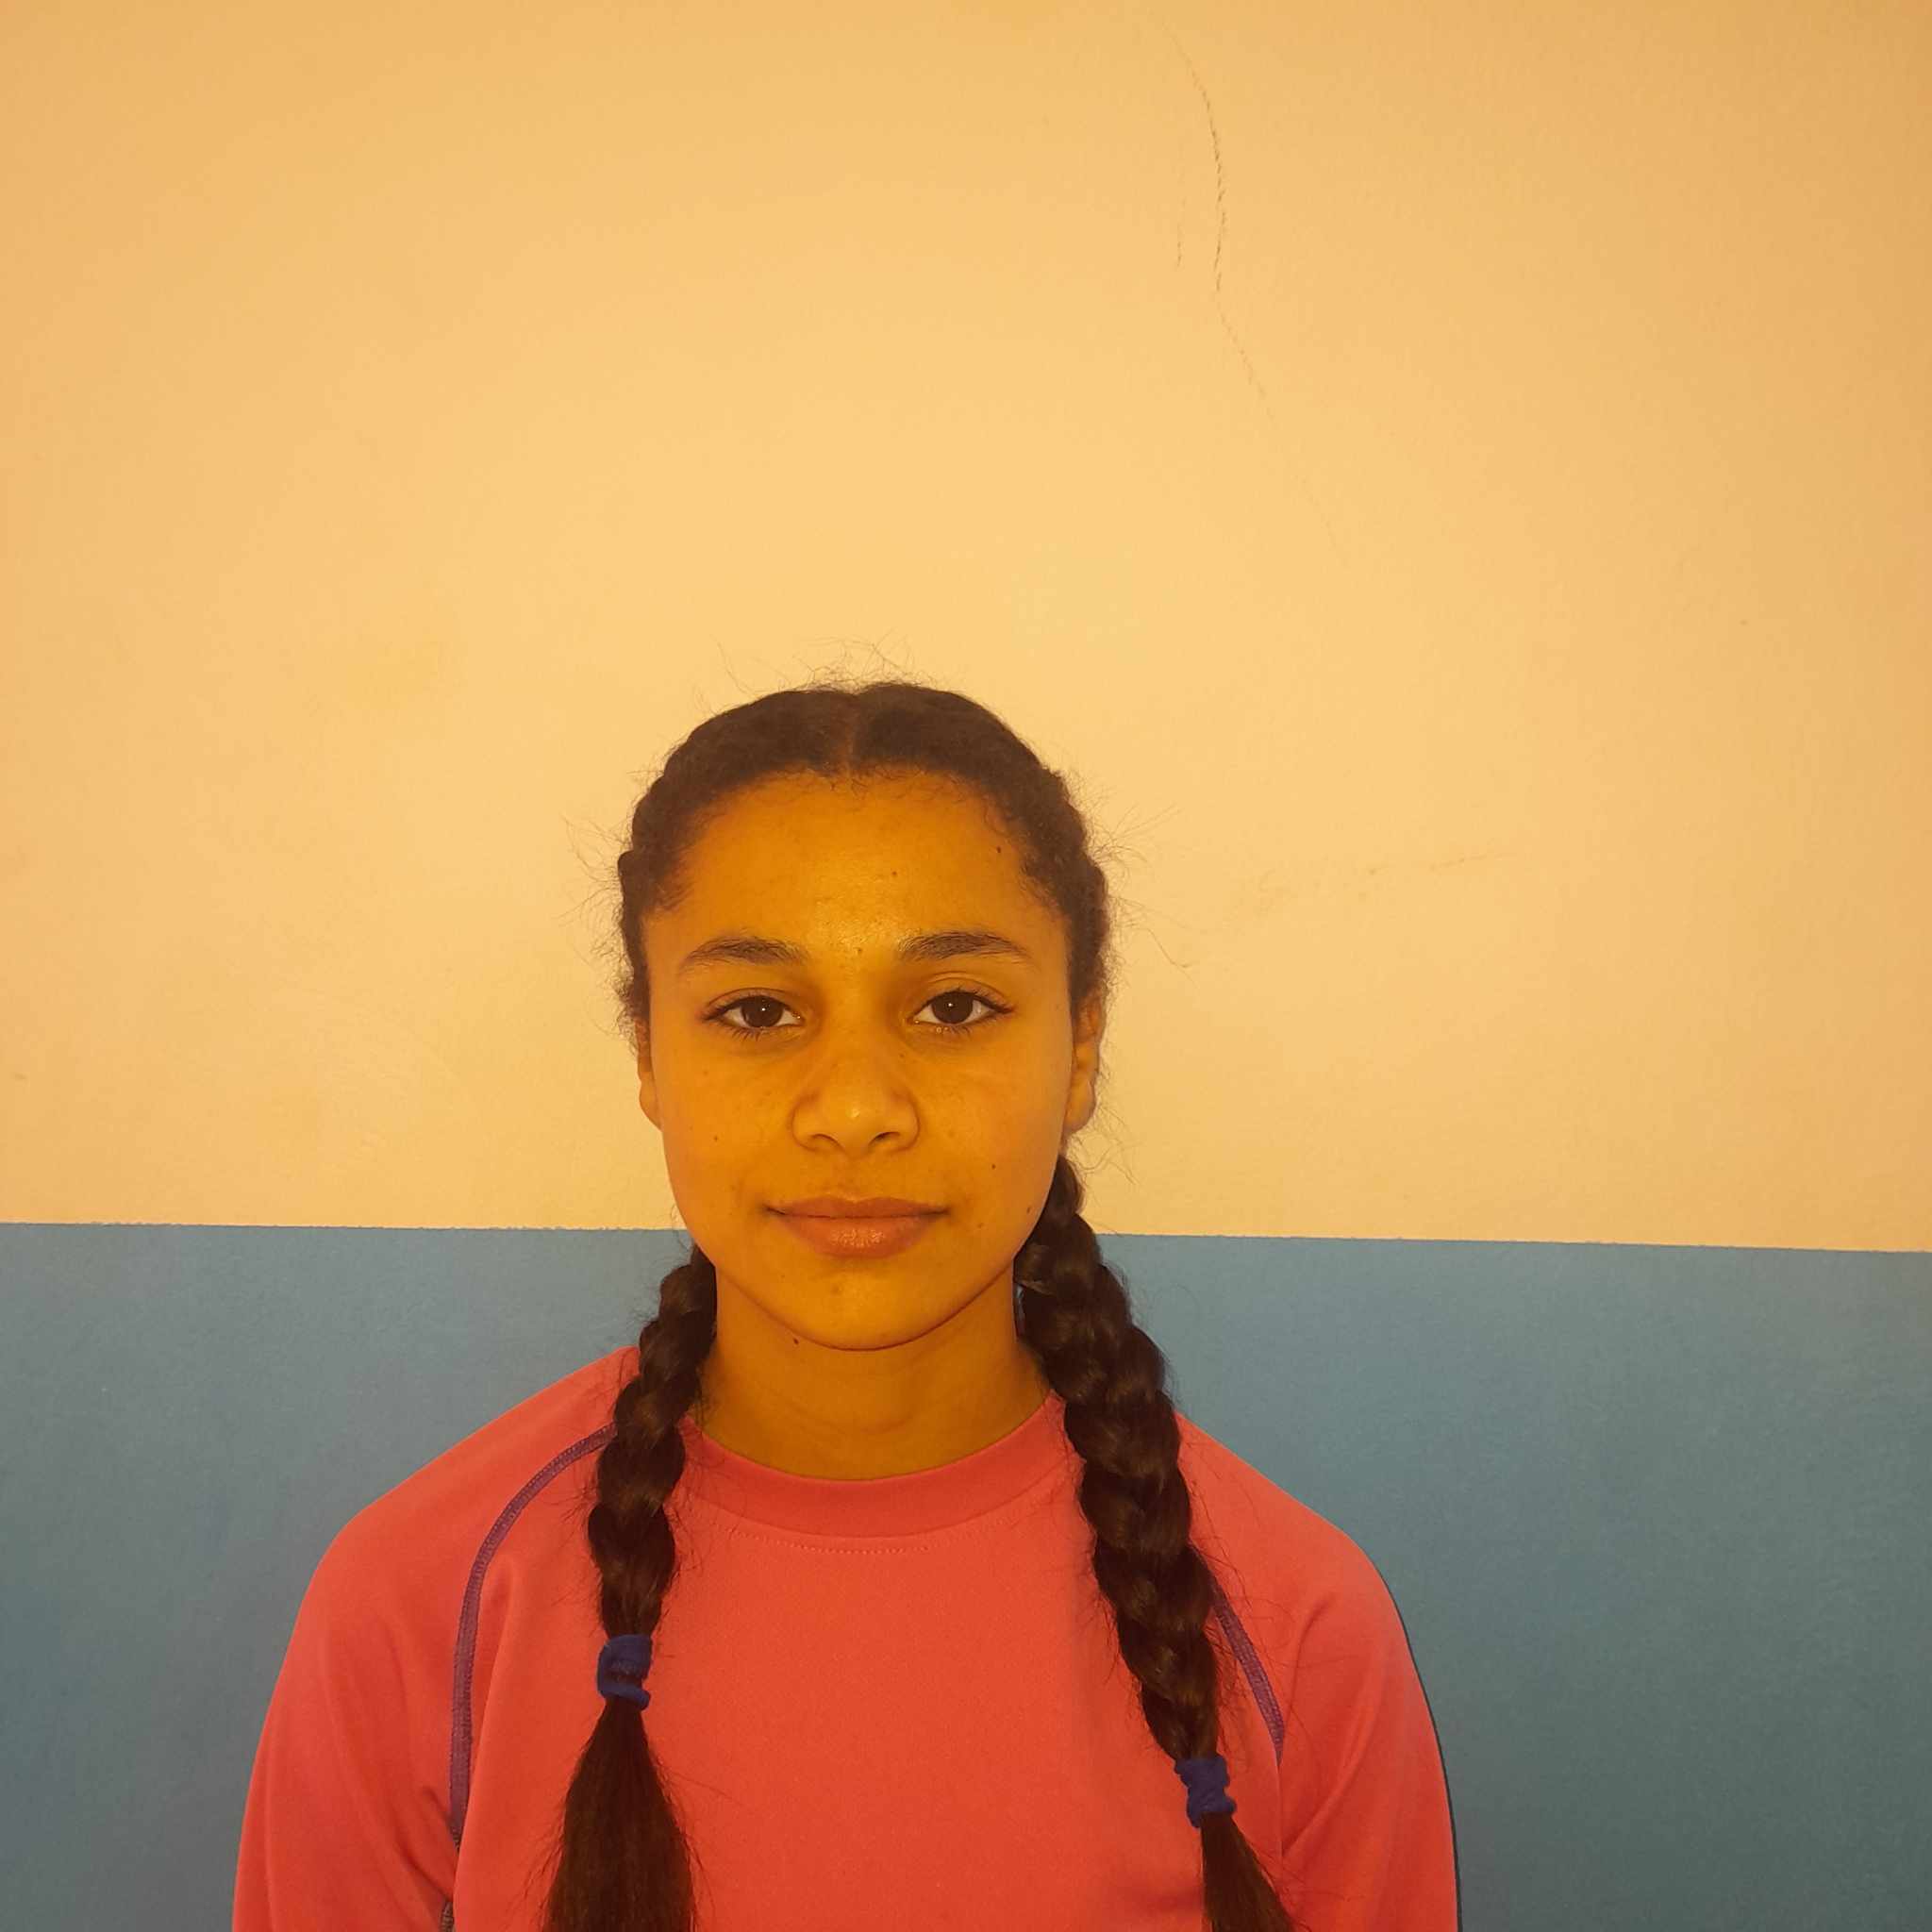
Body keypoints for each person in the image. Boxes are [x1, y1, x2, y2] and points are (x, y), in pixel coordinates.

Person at [234, 673, 1458, 1931]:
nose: (859, 1109)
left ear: (1080, 1047)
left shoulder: (1298, 1631)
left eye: (954, 1007)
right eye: (758, 1011)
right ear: (650, 1055)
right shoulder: (420, 1606)